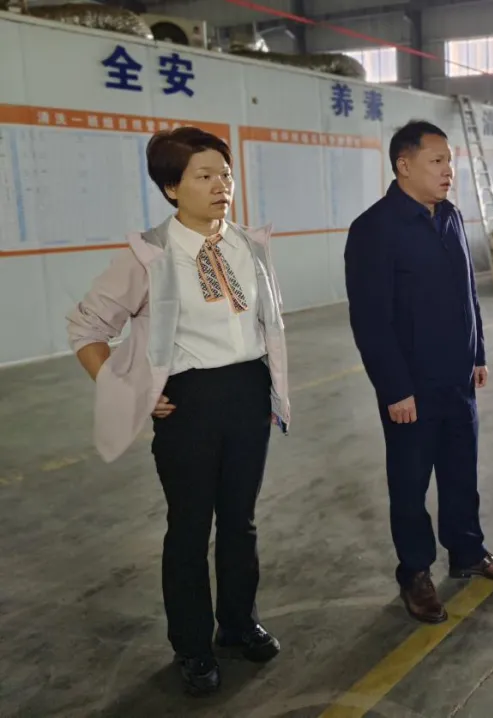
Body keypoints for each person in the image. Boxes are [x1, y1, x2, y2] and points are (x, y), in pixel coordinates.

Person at [66, 127, 290, 695]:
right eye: (204, 176)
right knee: (189, 528)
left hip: (248, 393)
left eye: (226, 174)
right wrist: (125, 389)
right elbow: (87, 328)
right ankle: (192, 647)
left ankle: (238, 624)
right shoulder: (150, 255)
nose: (221, 186)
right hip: (188, 404)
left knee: (240, 521)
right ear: (171, 188)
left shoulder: (248, 245)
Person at [344, 120, 493, 625]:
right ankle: (415, 572)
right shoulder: (374, 229)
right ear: (404, 166)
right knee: (410, 483)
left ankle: (467, 551)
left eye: (451, 161)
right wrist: (395, 388)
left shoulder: (450, 217)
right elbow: (370, 319)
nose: (449, 171)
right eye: (437, 161)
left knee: (461, 471)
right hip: (412, 387)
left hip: (458, 377)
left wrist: (478, 353)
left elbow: (468, 292)